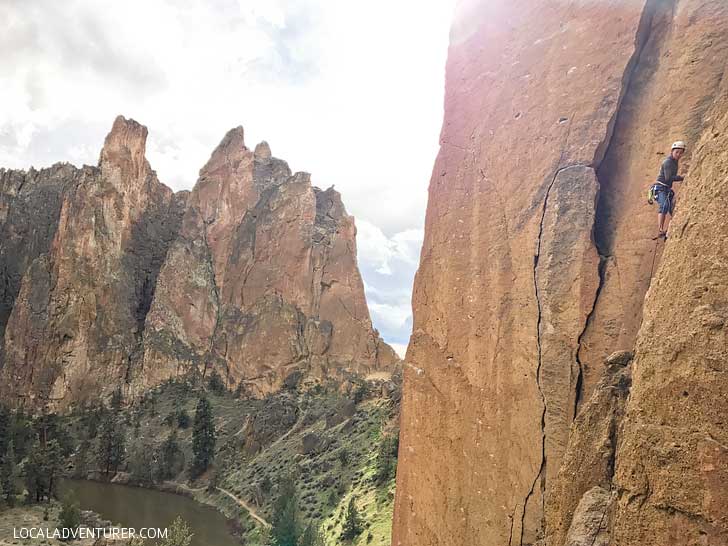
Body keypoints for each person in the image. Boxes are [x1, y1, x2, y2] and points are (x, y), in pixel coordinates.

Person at [653, 141, 686, 239]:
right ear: (672, 151)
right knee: (664, 206)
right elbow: (668, 178)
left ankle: (674, 226)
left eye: (681, 153)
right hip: (660, 188)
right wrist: (681, 177)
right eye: (677, 152)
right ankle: (660, 230)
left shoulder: (674, 162)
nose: (679, 155)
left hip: (666, 188)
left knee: (672, 208)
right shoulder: (668, 162)